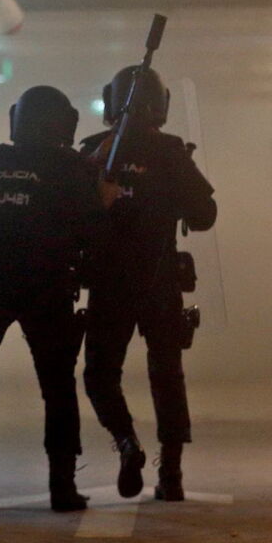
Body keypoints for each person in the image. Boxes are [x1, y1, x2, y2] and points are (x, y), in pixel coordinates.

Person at [0, 86, 105, 512]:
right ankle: (62, 485)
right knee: (57, 386)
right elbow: (94, 229)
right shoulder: (72, 168)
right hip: (47, 287)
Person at [79, 66, 217, 502]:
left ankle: (126, 442)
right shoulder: (170, 152)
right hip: (159, 281)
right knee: (167, 376)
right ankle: (171, 473)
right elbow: (204, 215)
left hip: (108, 282)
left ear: (109, 102)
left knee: (100, 375)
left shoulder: (92, 153)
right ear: (161, 105)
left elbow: (67, 214)